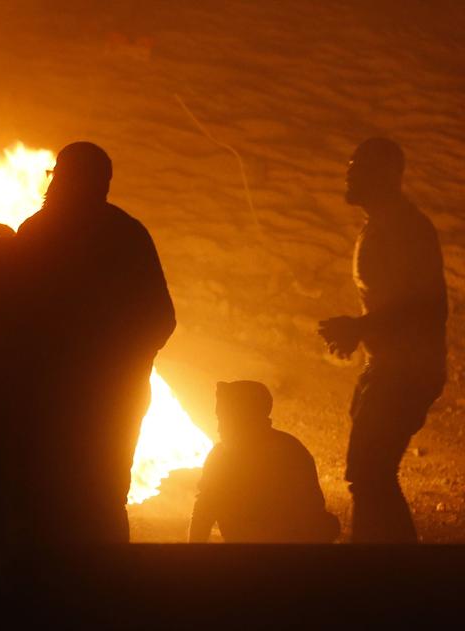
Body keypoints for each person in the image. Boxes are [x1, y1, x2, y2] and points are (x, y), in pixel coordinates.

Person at [12, 141, 175, 545]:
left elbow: (11, 320)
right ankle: (107, 588)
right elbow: (161, 320)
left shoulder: (36, 234)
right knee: (102, 500)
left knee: (47, 500)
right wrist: (125, 366)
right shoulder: (129, 234)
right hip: (114, 398)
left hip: (51, 402)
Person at [318, 138, 447, 543]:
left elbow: (426, 307)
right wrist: (362, 333)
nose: (349, 171)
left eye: (361, 166)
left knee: (370, 475)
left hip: (408, 370)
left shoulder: (407, 230)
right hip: (391, 366)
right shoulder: (382, 226)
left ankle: (389, 580)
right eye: (350, 162)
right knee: (369, 475)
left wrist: (360, 328)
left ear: (389, 176)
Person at [189, 381, 340, 543]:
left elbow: (309, 515)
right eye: (220, 419)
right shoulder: (222, 456)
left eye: (225, 419)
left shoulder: (287, 454)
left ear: (246, 418)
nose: (219, 428)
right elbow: (203, 511)